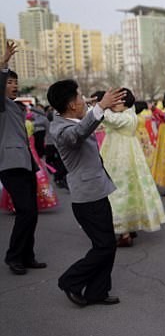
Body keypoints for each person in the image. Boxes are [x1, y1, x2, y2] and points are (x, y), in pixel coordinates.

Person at [47, 82, 126, 306]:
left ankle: (97, 292)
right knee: (104, 246)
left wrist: (91, 104)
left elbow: (80, 122)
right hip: (87, 197)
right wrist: (100, 106)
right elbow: (79, 132)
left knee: (106, 244)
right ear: (72, 105)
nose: (84, 100)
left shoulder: (67, 118)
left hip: (96, 192)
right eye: (80, 97)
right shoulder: (62, 130)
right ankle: (70, 280)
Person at [98, 88, 165, 247]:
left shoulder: (128, 117)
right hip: (118, 156)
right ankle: (128, 227)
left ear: (124, 102)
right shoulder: (126, 115)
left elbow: (108, 119)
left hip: (123, 159)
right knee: (125, 192)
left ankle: (125, 232)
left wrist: (99, 107)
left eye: (117, 100)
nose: (113, 103)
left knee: (120, 192)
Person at [0, 41, 47, 275]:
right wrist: (4, 62)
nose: (15, 85)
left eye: (16, 82)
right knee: (26, 211)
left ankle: (27, 255)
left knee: (31, 212)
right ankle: (13, 256)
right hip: (10, 164)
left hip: (25, 162)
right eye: (10, 82)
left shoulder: (16, 107)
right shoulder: (1, 105)